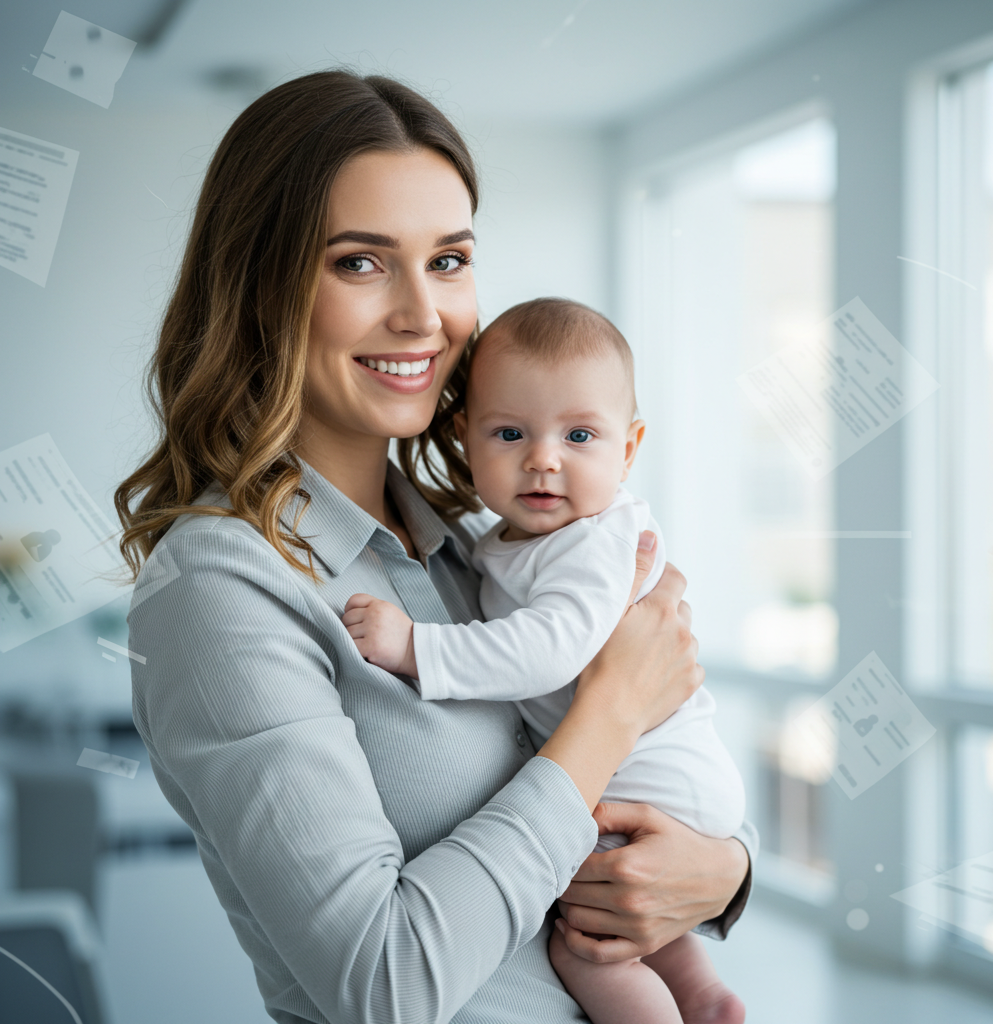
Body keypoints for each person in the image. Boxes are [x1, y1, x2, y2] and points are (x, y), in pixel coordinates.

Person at [114, 69, 757, 1024]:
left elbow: (651, 773)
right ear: (261, 288)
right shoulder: (220, 586)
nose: (424, 314)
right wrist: (614, 709)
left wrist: (725, 870)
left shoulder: (472, 542)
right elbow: (385, 984)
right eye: (360, 263)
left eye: (449, 259)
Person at [343, 297, 746, 1024]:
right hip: (656, 779)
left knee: (583, 943)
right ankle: (702, 995)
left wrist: (415, 647)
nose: (543, 459)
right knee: (625, 919)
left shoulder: (593, 541)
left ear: (628, 448)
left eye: (579, 435)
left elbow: (548, 650)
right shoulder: (505, 539)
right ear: (465, 438)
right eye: (510, 433)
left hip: (647, 782)